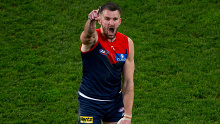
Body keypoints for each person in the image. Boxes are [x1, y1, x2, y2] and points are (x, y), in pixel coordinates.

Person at [78, 2, 134, 124]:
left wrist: (128, 116)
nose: (111, 23)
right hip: (89, 103)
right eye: (107, 19)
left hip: (114, 103)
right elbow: (87, 36)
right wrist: (91, 21)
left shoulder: (127, 43)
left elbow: (128, 82)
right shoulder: (94, 38)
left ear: (120, 21)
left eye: (114, 19)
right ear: (100, 20)